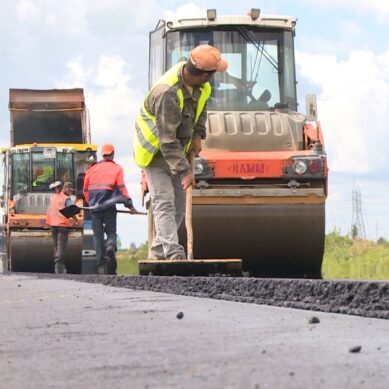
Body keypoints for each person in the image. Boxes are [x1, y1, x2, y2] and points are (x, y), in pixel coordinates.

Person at [133, 44, 228, 260]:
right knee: (164, 201)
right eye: (214, 73)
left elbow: (201, 110)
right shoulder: (167, 93)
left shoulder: (202, 87)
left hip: (179, 151)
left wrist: (197, 135)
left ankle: (158, 252)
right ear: (204, 74)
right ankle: (174, 253)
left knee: (179, 206)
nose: (214, 78)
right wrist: (185, 171)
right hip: (155, 152)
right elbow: (166, 140)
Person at [83, 143, 137, 274]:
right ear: (113, 154)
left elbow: (85, 189)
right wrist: (129, 205)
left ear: (102, 154)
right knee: (111, 232)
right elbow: (122, 189)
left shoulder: (92, 169)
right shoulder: (117, 168)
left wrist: (91, 203)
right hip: (109, 207)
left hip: (94, 207)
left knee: (97, 235)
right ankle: (111, 247)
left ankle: (100, 262)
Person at [46, 181, 77, 274]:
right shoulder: (66, 199)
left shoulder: (55, 197)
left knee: (56, 246)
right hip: (62, 225)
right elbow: (71, 211)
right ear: (66, 189)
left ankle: (58, 266)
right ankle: (58, 264)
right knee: (61, 246)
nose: (71, 193)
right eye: (70, 191)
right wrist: (76, 220)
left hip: (53, 225)